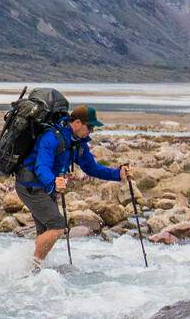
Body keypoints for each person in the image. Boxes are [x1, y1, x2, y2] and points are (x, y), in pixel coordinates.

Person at [15, 105, 129, 270]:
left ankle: (32, 269)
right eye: (89, 126)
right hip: (30, 185)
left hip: (47, 187)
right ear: (76, 122)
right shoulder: (51, 137)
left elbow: (92, 168)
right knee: (57, 225)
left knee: (47, 230)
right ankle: (32, 269)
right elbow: (41, 167)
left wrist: (118, 174)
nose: (91, 131)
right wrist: (53, 182)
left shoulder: (79, 144)